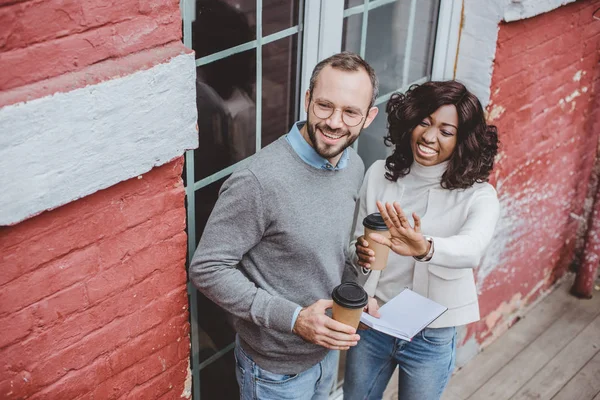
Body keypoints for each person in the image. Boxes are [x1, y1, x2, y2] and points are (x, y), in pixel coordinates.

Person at [190, 51, 380, 400]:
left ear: (368, 118)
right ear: (307, 99)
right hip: (274, 372)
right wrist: (294, 319)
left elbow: (322, 251)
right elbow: (207, 268)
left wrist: (356, 277)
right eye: (325, 105)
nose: (335, 122)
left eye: (350, 112)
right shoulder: (258, 181)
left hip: (325, 357)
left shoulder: (353, 165)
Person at [343, 80, 500, 400]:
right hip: (374, 322)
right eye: (424, 122)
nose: (429, 137)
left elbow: (473, 248)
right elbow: (353, 243)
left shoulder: (479, 196)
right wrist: (359, 255)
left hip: (431, 335)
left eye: (446, 130)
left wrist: (425, 247)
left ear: (463, 140)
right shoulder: (378, 174)